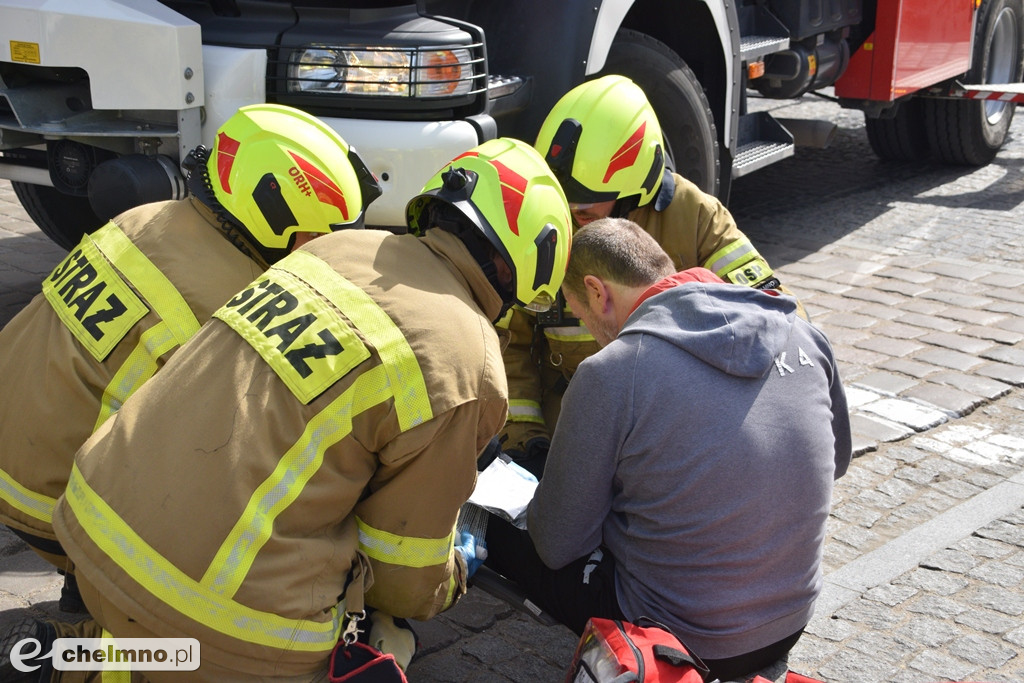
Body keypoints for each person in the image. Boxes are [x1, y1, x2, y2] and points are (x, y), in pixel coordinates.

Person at [1, 137, 571, 682]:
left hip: (88, 532)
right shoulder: (471, 362)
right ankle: (105, 666)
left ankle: (80, 658)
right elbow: (402, 575)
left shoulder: (334, 250)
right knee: (379, 639)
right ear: (526, 264)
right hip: (207, 608)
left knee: (175, 637)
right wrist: (455, 568)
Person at [0, 102, 380, 611]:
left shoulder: (145, 217)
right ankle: (94, 620)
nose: (321, 251)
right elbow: (229, 460)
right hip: (53, 505)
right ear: (271, 212)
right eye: (315, 235)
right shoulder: (232, 303)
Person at [484, 217, 851, 683]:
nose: (587, 328)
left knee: (495, 523)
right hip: (787, 626)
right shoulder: (804, 334)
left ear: (596, 292)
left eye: (577, 311)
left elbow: (558, 547)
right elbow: (837, 462)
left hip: (678, 640)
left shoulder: (612, 371)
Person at [499, 74, 805, 476]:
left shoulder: (694, 216)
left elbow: (776, 313)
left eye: (587, 204)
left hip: (680, 427)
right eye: (563, 198)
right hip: (578, 428)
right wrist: (527, 443)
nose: (571, 214)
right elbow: (509, 344)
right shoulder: (546, 218)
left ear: (634, 187)